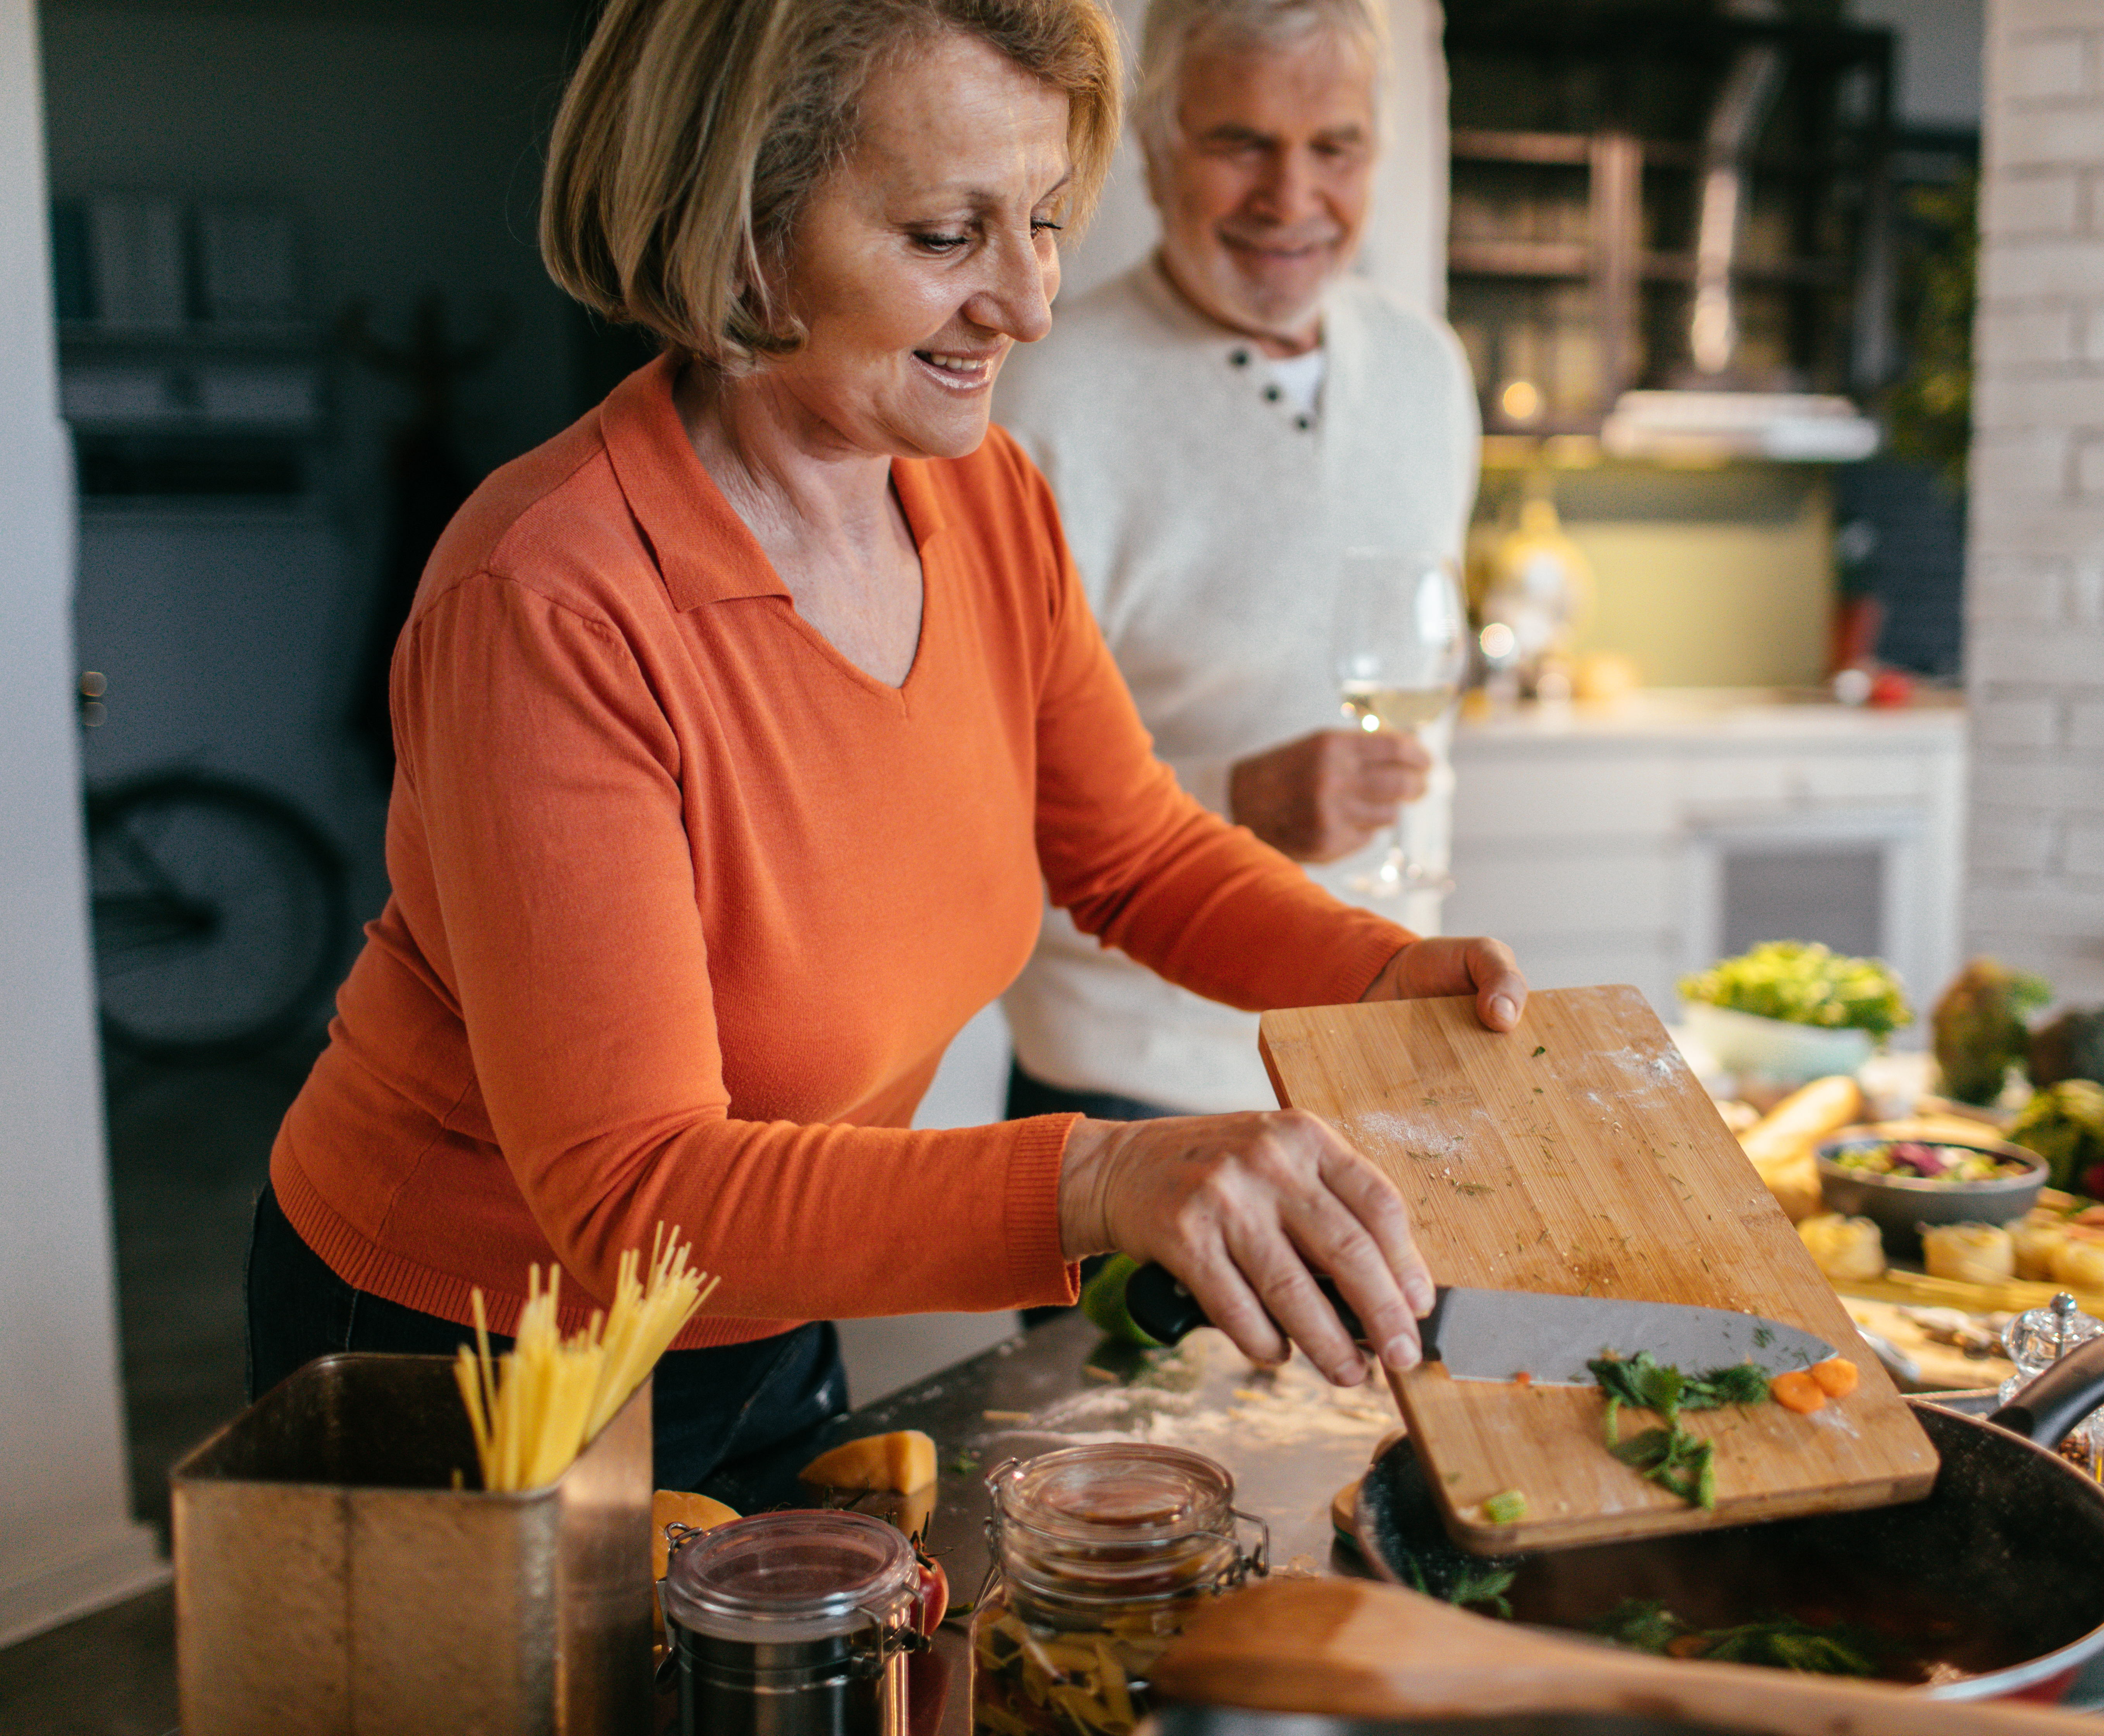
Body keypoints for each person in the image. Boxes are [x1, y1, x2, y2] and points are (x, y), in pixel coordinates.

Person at [245, 0, 1523, 1493]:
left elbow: (1131, 850)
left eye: (1044, 221)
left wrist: (1381, 978)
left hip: (769, 1285)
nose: (1030, 304)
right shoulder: (552, 596)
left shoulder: (982, 502)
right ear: (738, 234)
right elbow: (637, 1186)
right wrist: (1102, 1173)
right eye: (943, 237)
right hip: (468, 1348)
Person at [994, 0, 1480, 1128]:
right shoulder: (1043, 400)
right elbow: (976, 793)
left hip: (1386, 1049)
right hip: (1140, 1085)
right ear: (1157, 159)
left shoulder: (1427, 371)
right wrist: (1233, 805)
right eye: (1240, 143)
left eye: (1334, 148)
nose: (1292, 198)